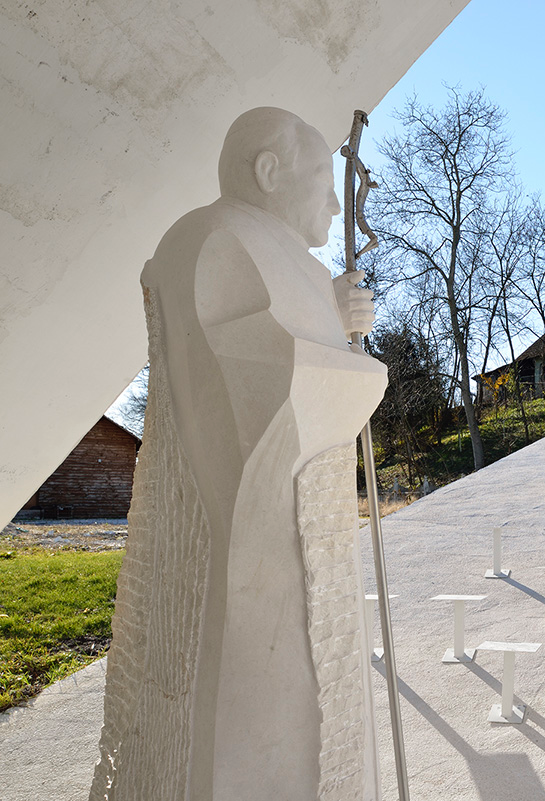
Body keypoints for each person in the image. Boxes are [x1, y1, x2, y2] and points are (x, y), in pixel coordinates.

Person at [91, 108, 386, 801]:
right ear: (269, 171)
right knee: (262, 744)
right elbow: (281, 394)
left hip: (282, 558)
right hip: (261, 561)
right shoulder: (222, 238)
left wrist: (330, 307)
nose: (334, 206)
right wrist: (360, 362)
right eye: (322, 182)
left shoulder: (268, 250)